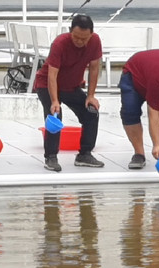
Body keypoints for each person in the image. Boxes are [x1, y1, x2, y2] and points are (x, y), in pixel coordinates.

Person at [34, 14, 105, 172]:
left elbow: (94, 68)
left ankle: (85, 154)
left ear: (91, 35)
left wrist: (90, 95)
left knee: (91, 112)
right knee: (55, 116)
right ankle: (51, 157)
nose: (80, 42)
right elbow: (52, 75)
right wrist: (54, 101)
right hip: (47, 84)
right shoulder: (60, 43)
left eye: (84, 39)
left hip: (71, 86)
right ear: (70, 31)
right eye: (76, 37)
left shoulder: (95, 41)